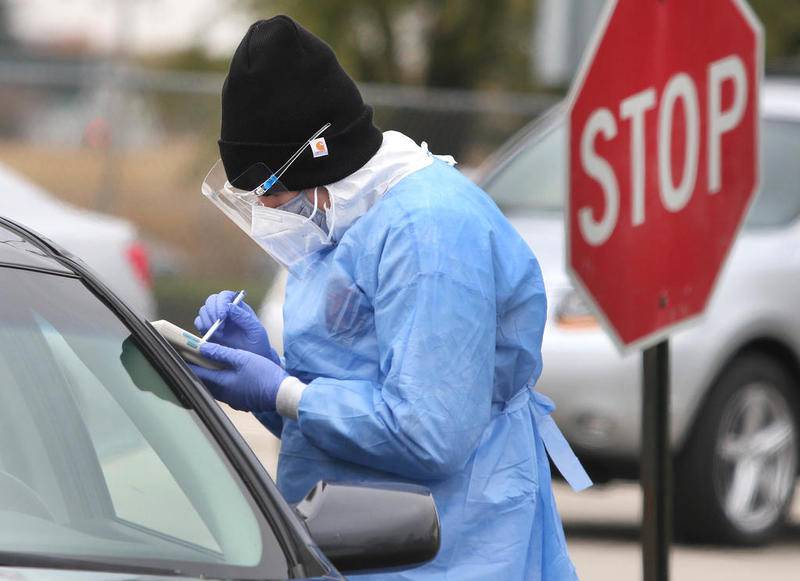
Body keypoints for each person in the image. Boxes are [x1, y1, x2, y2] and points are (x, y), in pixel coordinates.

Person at [191, 15, 591, 580]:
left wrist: (284, 392)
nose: (271, 212)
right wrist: (272, 384)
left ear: (317, 155)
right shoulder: (349, 225)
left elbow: (430, 433)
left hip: (446, 548)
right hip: (358, 541)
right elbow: (346, 424)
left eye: (269, 193)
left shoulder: (429, 232)